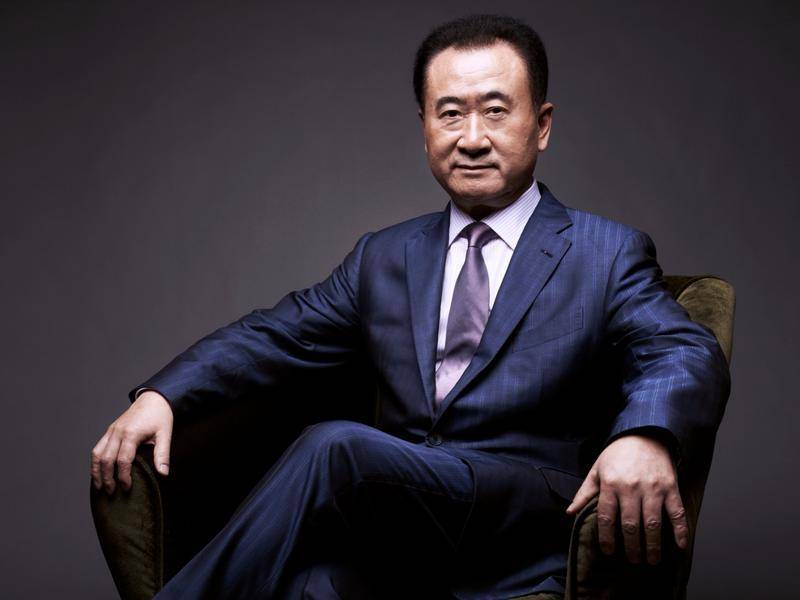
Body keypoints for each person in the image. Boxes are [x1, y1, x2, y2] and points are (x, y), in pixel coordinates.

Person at [89, 14, 730, 599]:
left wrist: (645, 434)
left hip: (524, 514)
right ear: (424, 128)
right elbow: (276, 336)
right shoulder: (385, 255)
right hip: (401, 528)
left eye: (495, 112)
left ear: (541, 125)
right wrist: (164, 395)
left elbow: (683, 348)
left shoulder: (604, 251)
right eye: (450, 114)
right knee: (309, 587)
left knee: (335, 447)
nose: (472, 138)